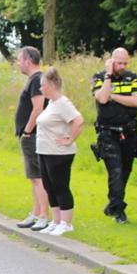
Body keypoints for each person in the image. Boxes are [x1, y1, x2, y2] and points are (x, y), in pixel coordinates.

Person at [91, 48, 137, 224]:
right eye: (119, 63)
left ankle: (113, 203)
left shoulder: (131, 77)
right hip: (108, 133)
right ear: (111, 61)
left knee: (125, 172)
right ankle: (119, 211)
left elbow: (136, 101)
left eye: (125, 63)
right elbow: (102, 99)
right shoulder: (99, 77)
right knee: (116, 171)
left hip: (129, 133)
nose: (122, 66)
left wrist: (114, 95)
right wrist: (108, 76)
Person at [35, 66, 84, 236]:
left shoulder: (63, 103)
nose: (40, 89)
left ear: (52, 86)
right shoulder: (51, 103)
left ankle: (66, 222)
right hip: (45, 151)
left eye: (43, 86)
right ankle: (56, 221)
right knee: (49, 186)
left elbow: (78, 121)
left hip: (59, 153)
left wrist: (70, 139)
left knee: (60, 186)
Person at [14, 46, 51, 230]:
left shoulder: (37, 79)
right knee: (33, 176)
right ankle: (36, 212)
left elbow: (38, 107)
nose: (18, 63)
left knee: (38, 176)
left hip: (34, 134)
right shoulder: (34, 80)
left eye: (19, 60)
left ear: (28, 61)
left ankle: (44, 215)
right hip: (30, 134)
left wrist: (28, 130)